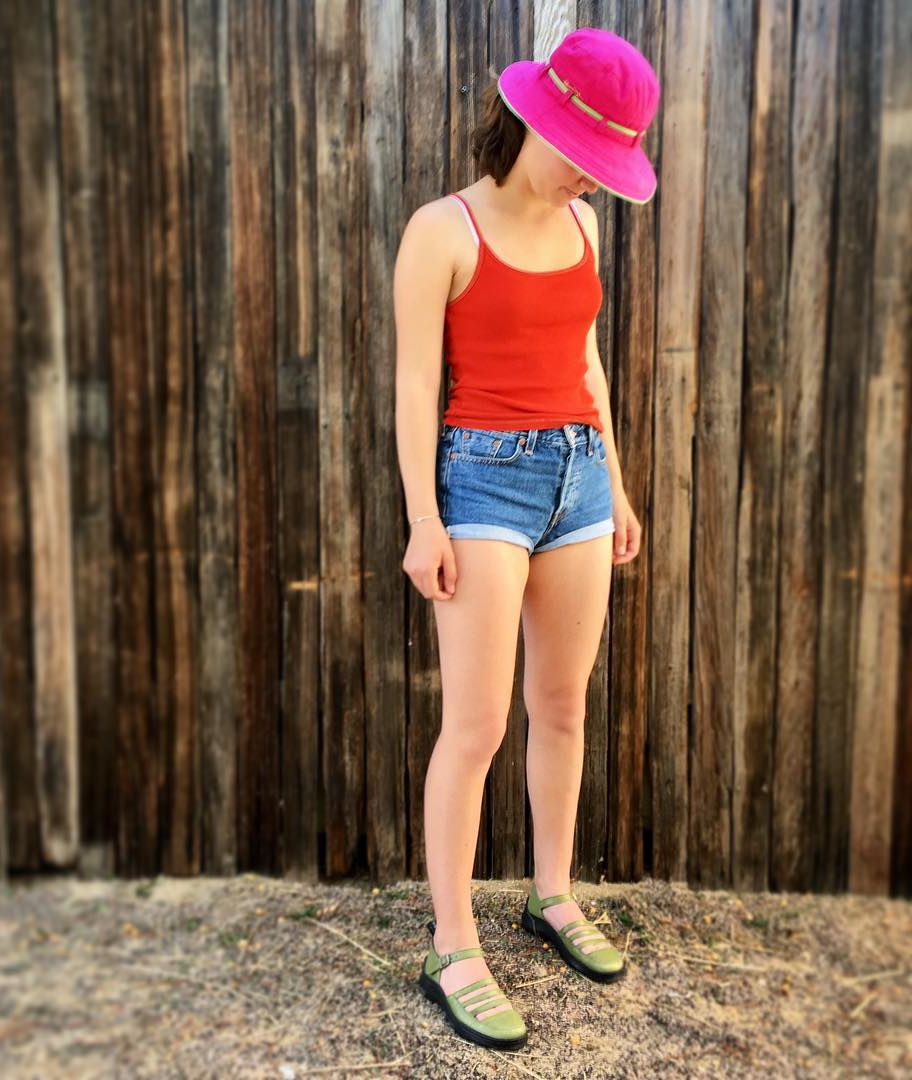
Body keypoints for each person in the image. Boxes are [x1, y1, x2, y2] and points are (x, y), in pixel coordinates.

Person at [393, 27, 661, 1050]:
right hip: (484, 483)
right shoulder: (445, 230)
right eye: (580, 158)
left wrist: (619, 483)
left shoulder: (585, 229)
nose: (586, 180)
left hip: (580, 483)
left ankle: (552, 894)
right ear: (534, 122)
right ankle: (452, 942)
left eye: (605, 167)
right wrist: (424, 518)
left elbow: (585, 365)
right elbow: (418, 385)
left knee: (562, 708)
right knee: (477, 727)